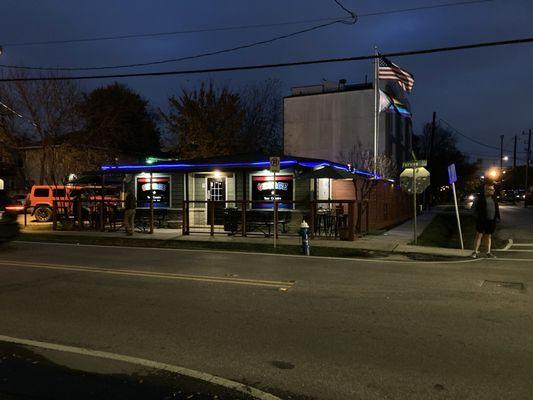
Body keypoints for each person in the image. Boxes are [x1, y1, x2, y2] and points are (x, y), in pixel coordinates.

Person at [471, 184, 500, 258]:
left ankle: (488, 252)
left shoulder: (494, 198)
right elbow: (473, 210)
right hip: (481, 220)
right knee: (479, 236)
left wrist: (497, 218)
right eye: (491, 189)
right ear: (486, 190)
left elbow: (496, 209)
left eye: (493, 190)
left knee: (488, 236)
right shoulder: (479, 199)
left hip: (491, 221)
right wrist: (477, 217)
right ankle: (475, 252)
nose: (493, 191)